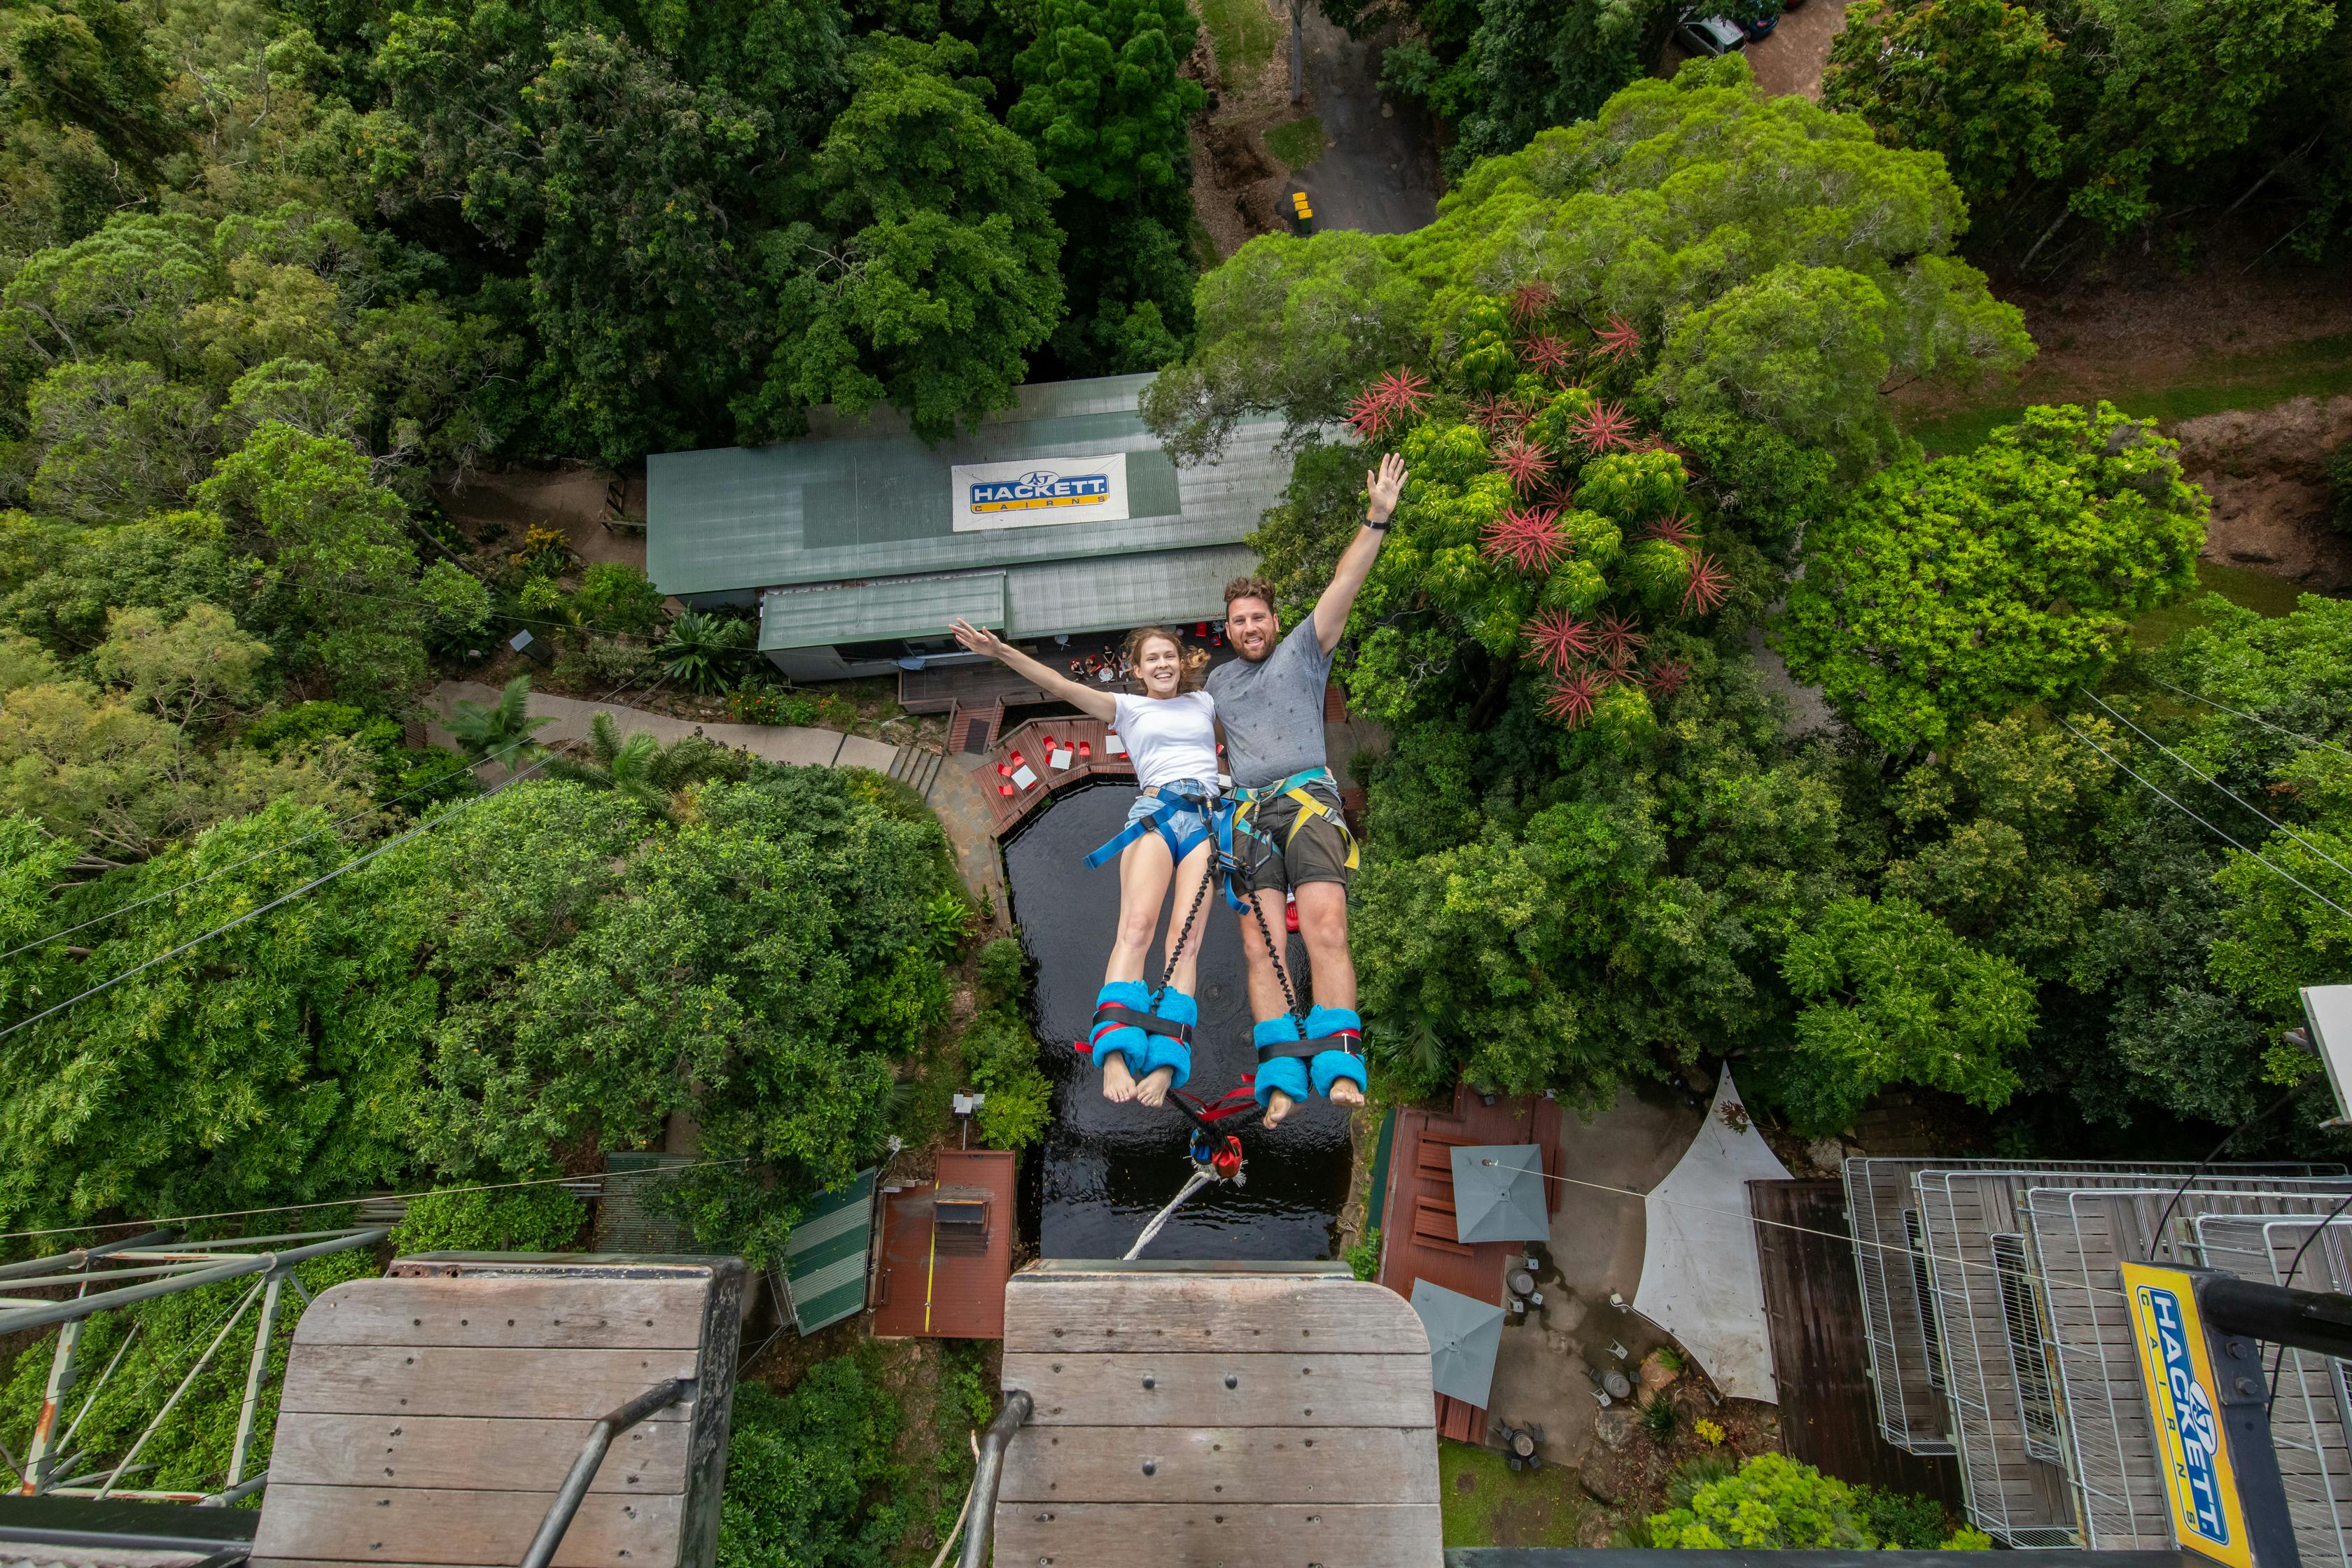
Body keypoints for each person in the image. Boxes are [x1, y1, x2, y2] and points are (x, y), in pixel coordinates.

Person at [1208, 451, 1409, 1128]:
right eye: (1238, 621)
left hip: (1307, 804)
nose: (1249, 628)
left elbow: (1344, 584)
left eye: (1257, 617)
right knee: (1257, 948)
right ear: (1227, 629)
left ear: (1273, 619)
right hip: (1248, 815)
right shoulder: (1216, 684)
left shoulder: (1305, 648)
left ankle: (1341, 1063)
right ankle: (1282, 1072)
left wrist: (1377, 518)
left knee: (1325, 928)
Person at [948, 617, 1218, 1108]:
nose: (1162, 664)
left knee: (1188, 940)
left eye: (1168, 655)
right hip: (1156, 814)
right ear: (1136, 669)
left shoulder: (1205, 700)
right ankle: (1115, 1049)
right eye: (1151, 658)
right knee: (1136, 928)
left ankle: (1165, 1057)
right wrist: (1002, 651)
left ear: (1181, 662)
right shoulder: (1126, 708)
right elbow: (1059, 684)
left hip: (1204, 819)